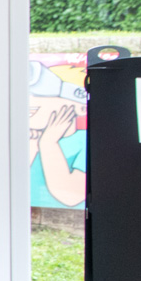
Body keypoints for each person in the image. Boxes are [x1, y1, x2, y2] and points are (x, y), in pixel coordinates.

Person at [29, 60, 88, 209]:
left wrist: (48, 143)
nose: (32, 102)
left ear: (81, 107)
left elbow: (70, 197)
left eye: (43, 95)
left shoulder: (86, 141)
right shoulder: (30, 140)